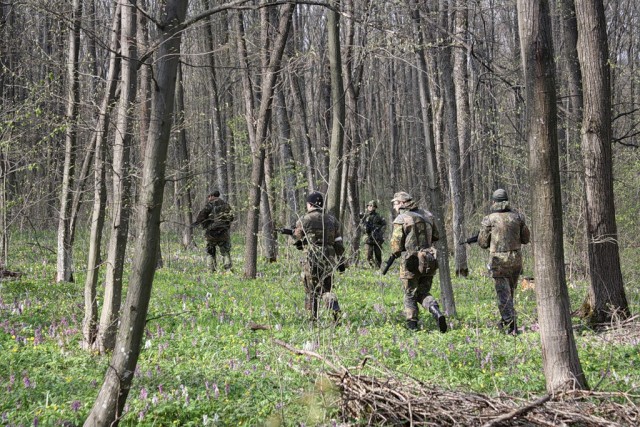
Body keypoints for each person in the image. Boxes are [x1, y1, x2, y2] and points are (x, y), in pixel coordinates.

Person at [389, 191, 447, 332]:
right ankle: (436, 311)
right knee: (423, 292)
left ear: (402, 203)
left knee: (410, 294)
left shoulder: (401, 219)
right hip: (428, 260)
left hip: (410, 262)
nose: (394, 207)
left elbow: (396, 246)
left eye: (395, 203)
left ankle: (412, 326)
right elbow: (436, 236)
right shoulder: (428, 215)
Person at [478, 188, 530, 335]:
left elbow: (482, 242)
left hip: (499, 261)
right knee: (510, 293)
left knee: (503, 295)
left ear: (494, 201)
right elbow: (526, 239)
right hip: (515, 260)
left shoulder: (489, 219)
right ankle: (505, 322)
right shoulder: (518, 217)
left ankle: (510, 326)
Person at [292, 191, 345, 322]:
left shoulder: (304, 219)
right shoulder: (332, 220)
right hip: (329, 257)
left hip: (311, 256)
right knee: (327, 288)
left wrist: (298, 241)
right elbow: (338, 242)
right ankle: (335, 313)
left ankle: (312, 318)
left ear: (310, 204)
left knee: (311, 288)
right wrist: (341, 261)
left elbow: (297, 239)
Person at [193, 190, 235, 272]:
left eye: (209, 196)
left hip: (210, 234)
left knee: (210, 253)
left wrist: (197, 223)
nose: (208, 198)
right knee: (225, 252)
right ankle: (228, 270)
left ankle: (211, 270)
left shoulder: (209, 206)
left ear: (212, 196)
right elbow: (231, 217)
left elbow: (200, 217)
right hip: (223, 233)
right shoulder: (226, 205)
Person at [361, 200, 386, 269]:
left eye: (373, 206)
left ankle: (378, 268)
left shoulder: (379, 216)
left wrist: (380, 232)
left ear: (375, 207)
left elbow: (384, 225)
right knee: (368, 255)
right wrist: (365, 229)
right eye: (370, 206)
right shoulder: (364, 216)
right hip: (368, 238)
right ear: (367, 206)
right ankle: (371, 267)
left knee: (378, 254)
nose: (371, 207)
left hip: (377, 238)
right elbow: (361, 226)